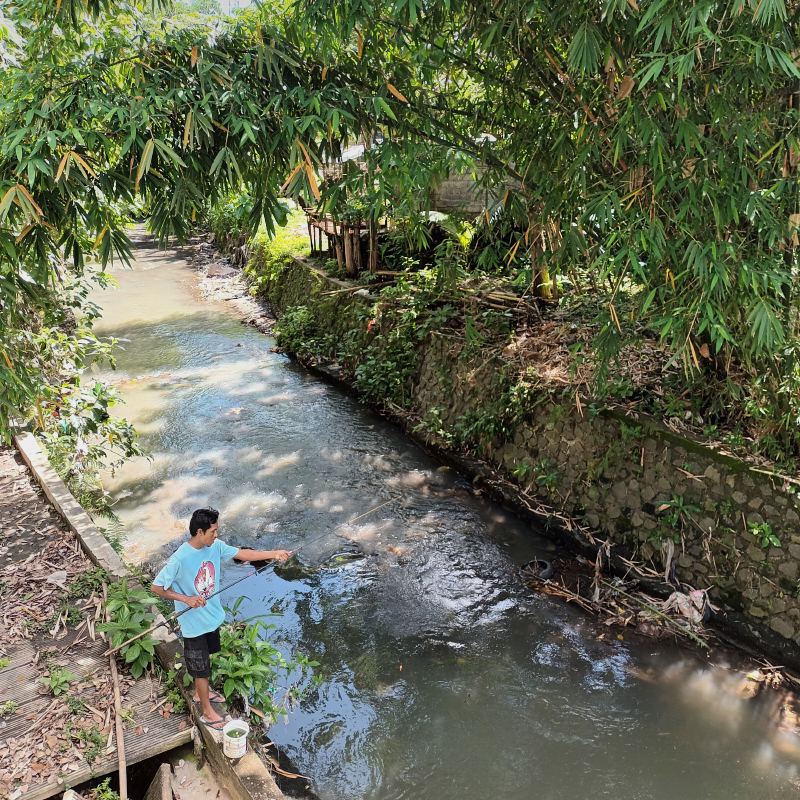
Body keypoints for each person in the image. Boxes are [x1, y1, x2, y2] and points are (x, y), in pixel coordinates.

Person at [151, 507, 291, 730]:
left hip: (211, 617)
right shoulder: (179, 558)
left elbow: (242, 554)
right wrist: (185, 599)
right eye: (213, 531)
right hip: (194, 625)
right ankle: (207, 713)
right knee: (200, 669)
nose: (216, 535)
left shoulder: (214, 546)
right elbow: (157, 587)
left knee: (206, 660)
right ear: (200, 531)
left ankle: (200, 694)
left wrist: (273, 554)